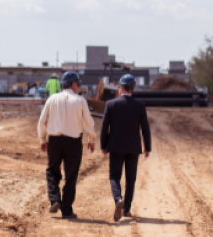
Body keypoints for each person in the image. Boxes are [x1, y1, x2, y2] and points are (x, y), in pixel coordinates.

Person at [37, 71, 96, 219]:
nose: (79, 87)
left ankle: (55, 200)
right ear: (72, 84)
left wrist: (42, 139)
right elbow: (89, 123)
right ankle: (67, 209)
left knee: (52, 171)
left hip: (54, 141)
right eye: (78, 84)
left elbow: (42, 121)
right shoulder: (80, 100)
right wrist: (91, 140)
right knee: (71, 175)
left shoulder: (52, 99)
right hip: (73, 142)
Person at [100, 74, 152, 222]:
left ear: (120, 87)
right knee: (131, 179)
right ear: (133, 88)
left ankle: (117, 199)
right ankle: (126, 208)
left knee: (115, 176)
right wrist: (147, 147)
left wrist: (103, 145)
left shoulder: (111, 104)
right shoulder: (140, 105)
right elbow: (145, 128)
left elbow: (105, 127)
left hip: (115, 147)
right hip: (133, 148)